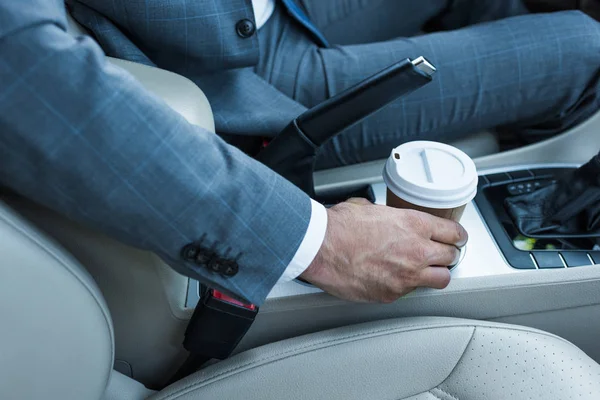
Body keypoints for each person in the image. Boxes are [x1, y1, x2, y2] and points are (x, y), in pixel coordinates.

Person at [1, 0, 467, 307]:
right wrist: (321, 242)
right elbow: (27, 77)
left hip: (263, 14)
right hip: (231, 76)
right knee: (545, 51)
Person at [67, 0, 600, 169]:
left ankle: (521, 107)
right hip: (227, 78)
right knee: (583, 49)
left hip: (263, 15)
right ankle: (545, 186)